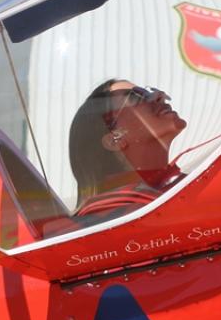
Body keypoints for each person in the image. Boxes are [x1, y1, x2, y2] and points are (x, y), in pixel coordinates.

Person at [68, 79, 188, 220]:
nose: (159, 95)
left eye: (149, 91)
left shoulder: (168, 188)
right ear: (114, 139)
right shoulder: (114, 215)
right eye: (134, 96)